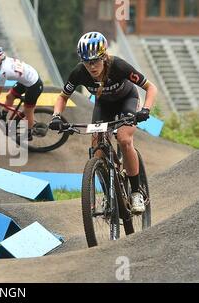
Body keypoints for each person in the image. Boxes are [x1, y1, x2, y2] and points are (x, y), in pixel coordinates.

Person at [49, 31, 158, 213]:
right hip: (103, 105)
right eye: (86, 61)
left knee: (123, 139)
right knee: (97, 151)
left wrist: (145, 109)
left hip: (127, 101)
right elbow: (62, 97)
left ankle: (137, 192)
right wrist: (56, 116)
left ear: (104, 56)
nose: (91, 66)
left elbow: (150, 87)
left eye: (95, 61)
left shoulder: (119, 66)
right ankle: (108, 195)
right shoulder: (79, 72)